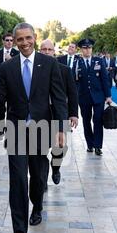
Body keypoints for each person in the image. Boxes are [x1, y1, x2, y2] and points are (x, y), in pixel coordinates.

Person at [0, 23, 68, 233]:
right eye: (19, 39)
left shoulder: (50, 64)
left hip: (43, 129)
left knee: (38, 177)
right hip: (17, 131)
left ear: (35, 37)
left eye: (28, 38)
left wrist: (61, 128)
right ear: (14, 40)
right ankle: (19, 232)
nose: (24, 43)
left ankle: (38, 206)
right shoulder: (7, 67)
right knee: (18, 180)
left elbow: (59, 98)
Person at [39, 39, 78, 186]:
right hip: (41, 115)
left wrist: (73, 114)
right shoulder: (35, 69)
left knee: (59, 147)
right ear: (40, 51)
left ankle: (56, 168)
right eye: (44, 49)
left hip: (59, 114)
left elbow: (73, 94)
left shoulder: (65, 70)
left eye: (50, 50)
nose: (47, 52)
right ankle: (40, 181)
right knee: (40, 150)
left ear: (54, 52)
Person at [73, 38, 112, 156]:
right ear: (81, 49)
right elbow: (74, 81)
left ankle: (98, 146)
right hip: (83, 97)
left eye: (89, 47)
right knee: (86, 121)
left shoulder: (99, 61)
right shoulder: (77, 63)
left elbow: (105, 79)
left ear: (92, 49)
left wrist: (108, 95)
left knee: (98, 120)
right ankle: (90, 144)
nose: (87, 50)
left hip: (98, 96)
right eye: (85, 48)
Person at [0, 33, 20, 140]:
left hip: (13, 88)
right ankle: (0, 130)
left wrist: (10, 59)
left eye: (11, 40)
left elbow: (19, 72)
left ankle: (11, 130)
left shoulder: (17, 54)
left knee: (12, 109)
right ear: (3, 41)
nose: (9, 42)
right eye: (7, 40)